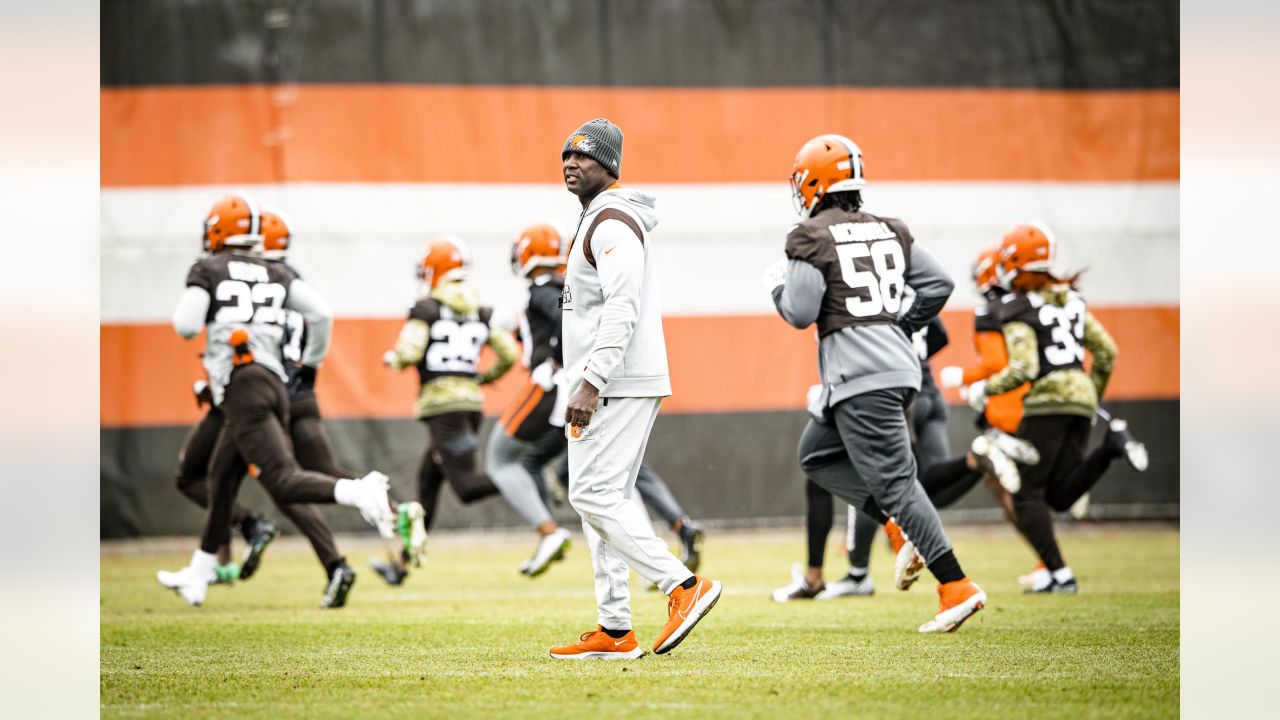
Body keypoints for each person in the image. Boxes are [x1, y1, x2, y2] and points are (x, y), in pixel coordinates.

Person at [767, 133, 985, 633]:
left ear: (816, 183)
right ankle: (894, 525)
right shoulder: (890, 229)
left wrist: (778, 286)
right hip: (894, 369)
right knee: (816, 455)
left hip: (861, 376)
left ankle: (956, 585)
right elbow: (939, 284)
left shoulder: (810, 236)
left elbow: (800, 312)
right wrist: (898, 325)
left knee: (898, 483)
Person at [157, 193, 396, 607]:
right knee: (221, 478)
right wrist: (311, 365)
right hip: (272, 381)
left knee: (282, 479)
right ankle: (198, 573)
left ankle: (360, 491)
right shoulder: (276, 271)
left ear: (217, 231)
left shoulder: (209, 268)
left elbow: (184, 325)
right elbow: (322, 313)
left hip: (243, 386)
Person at [549, 118, 721, 660]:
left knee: (592, 495)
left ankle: (683, 586)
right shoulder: (597, 218)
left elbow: (624, 308)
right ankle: (615, 629)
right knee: (604, 501)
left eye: (585, 156)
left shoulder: (613, 222)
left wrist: (591, 381)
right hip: (608, 380)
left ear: (611, 166)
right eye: (567, 156)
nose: (571, 164)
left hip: (616, 382)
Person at [970, 223, 1146, 593]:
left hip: (1047, 402)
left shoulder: (1017, 307)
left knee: (1025, 492)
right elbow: (1107, 352)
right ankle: (1109, 449)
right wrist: (1088, 396)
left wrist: (985, 388)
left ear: (1014, 263)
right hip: (1080, 399)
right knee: (1059, 494)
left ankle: (1060, 575)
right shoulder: (1071, 299)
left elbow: (1024, 368)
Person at [375, 235, 519, 584]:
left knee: (466, 487)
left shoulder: (426, 309)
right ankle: (403, 565)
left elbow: (409, 350)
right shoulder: (481, 311)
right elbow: (510, 354)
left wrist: (393, 359)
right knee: (428, 481)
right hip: (468, 404)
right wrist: (482, 379)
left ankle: (529, 475)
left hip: (444, 407)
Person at [482, 223, 574, 577]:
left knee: (500, 461)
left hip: (548, 387)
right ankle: (548, 528)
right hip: (561, 387)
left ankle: (548, 531)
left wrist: (554, 358)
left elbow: (566, 322)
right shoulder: (558, 287)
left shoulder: (542, 290)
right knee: (528, 463)